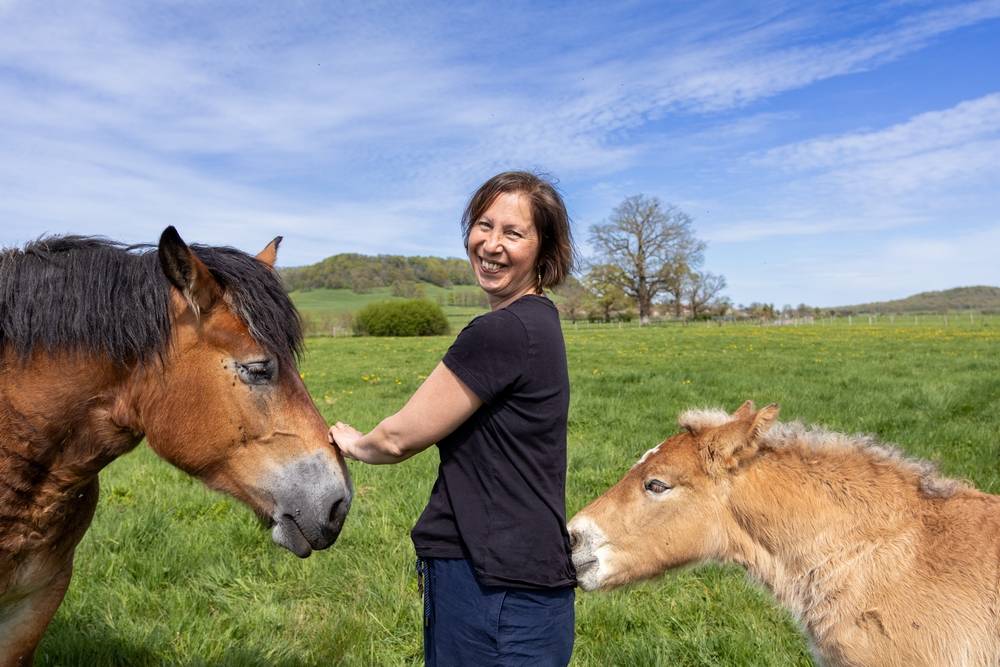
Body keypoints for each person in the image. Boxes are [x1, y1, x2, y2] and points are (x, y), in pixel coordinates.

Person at [329, 171, 577, 666]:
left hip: (489, 585)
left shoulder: (502, 330)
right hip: (527, 582)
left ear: (544, 251)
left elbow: (399, 439)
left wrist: (354, 443)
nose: (492, 244)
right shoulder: (540, 321)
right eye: (484, 225)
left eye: (514, 232)